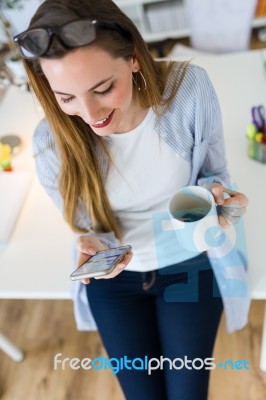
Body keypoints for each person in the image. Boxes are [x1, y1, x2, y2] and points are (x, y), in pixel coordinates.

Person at [14, 0, 249, 399]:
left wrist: (220, 198)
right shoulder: (50, 145)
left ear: (135, 59)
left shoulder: (188, 91)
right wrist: (90, 243)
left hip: (189, 263)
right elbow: (87, 228)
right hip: (115, 280)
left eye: (103, 88)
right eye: (66, 97)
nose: (89, 114)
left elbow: (215, 176)